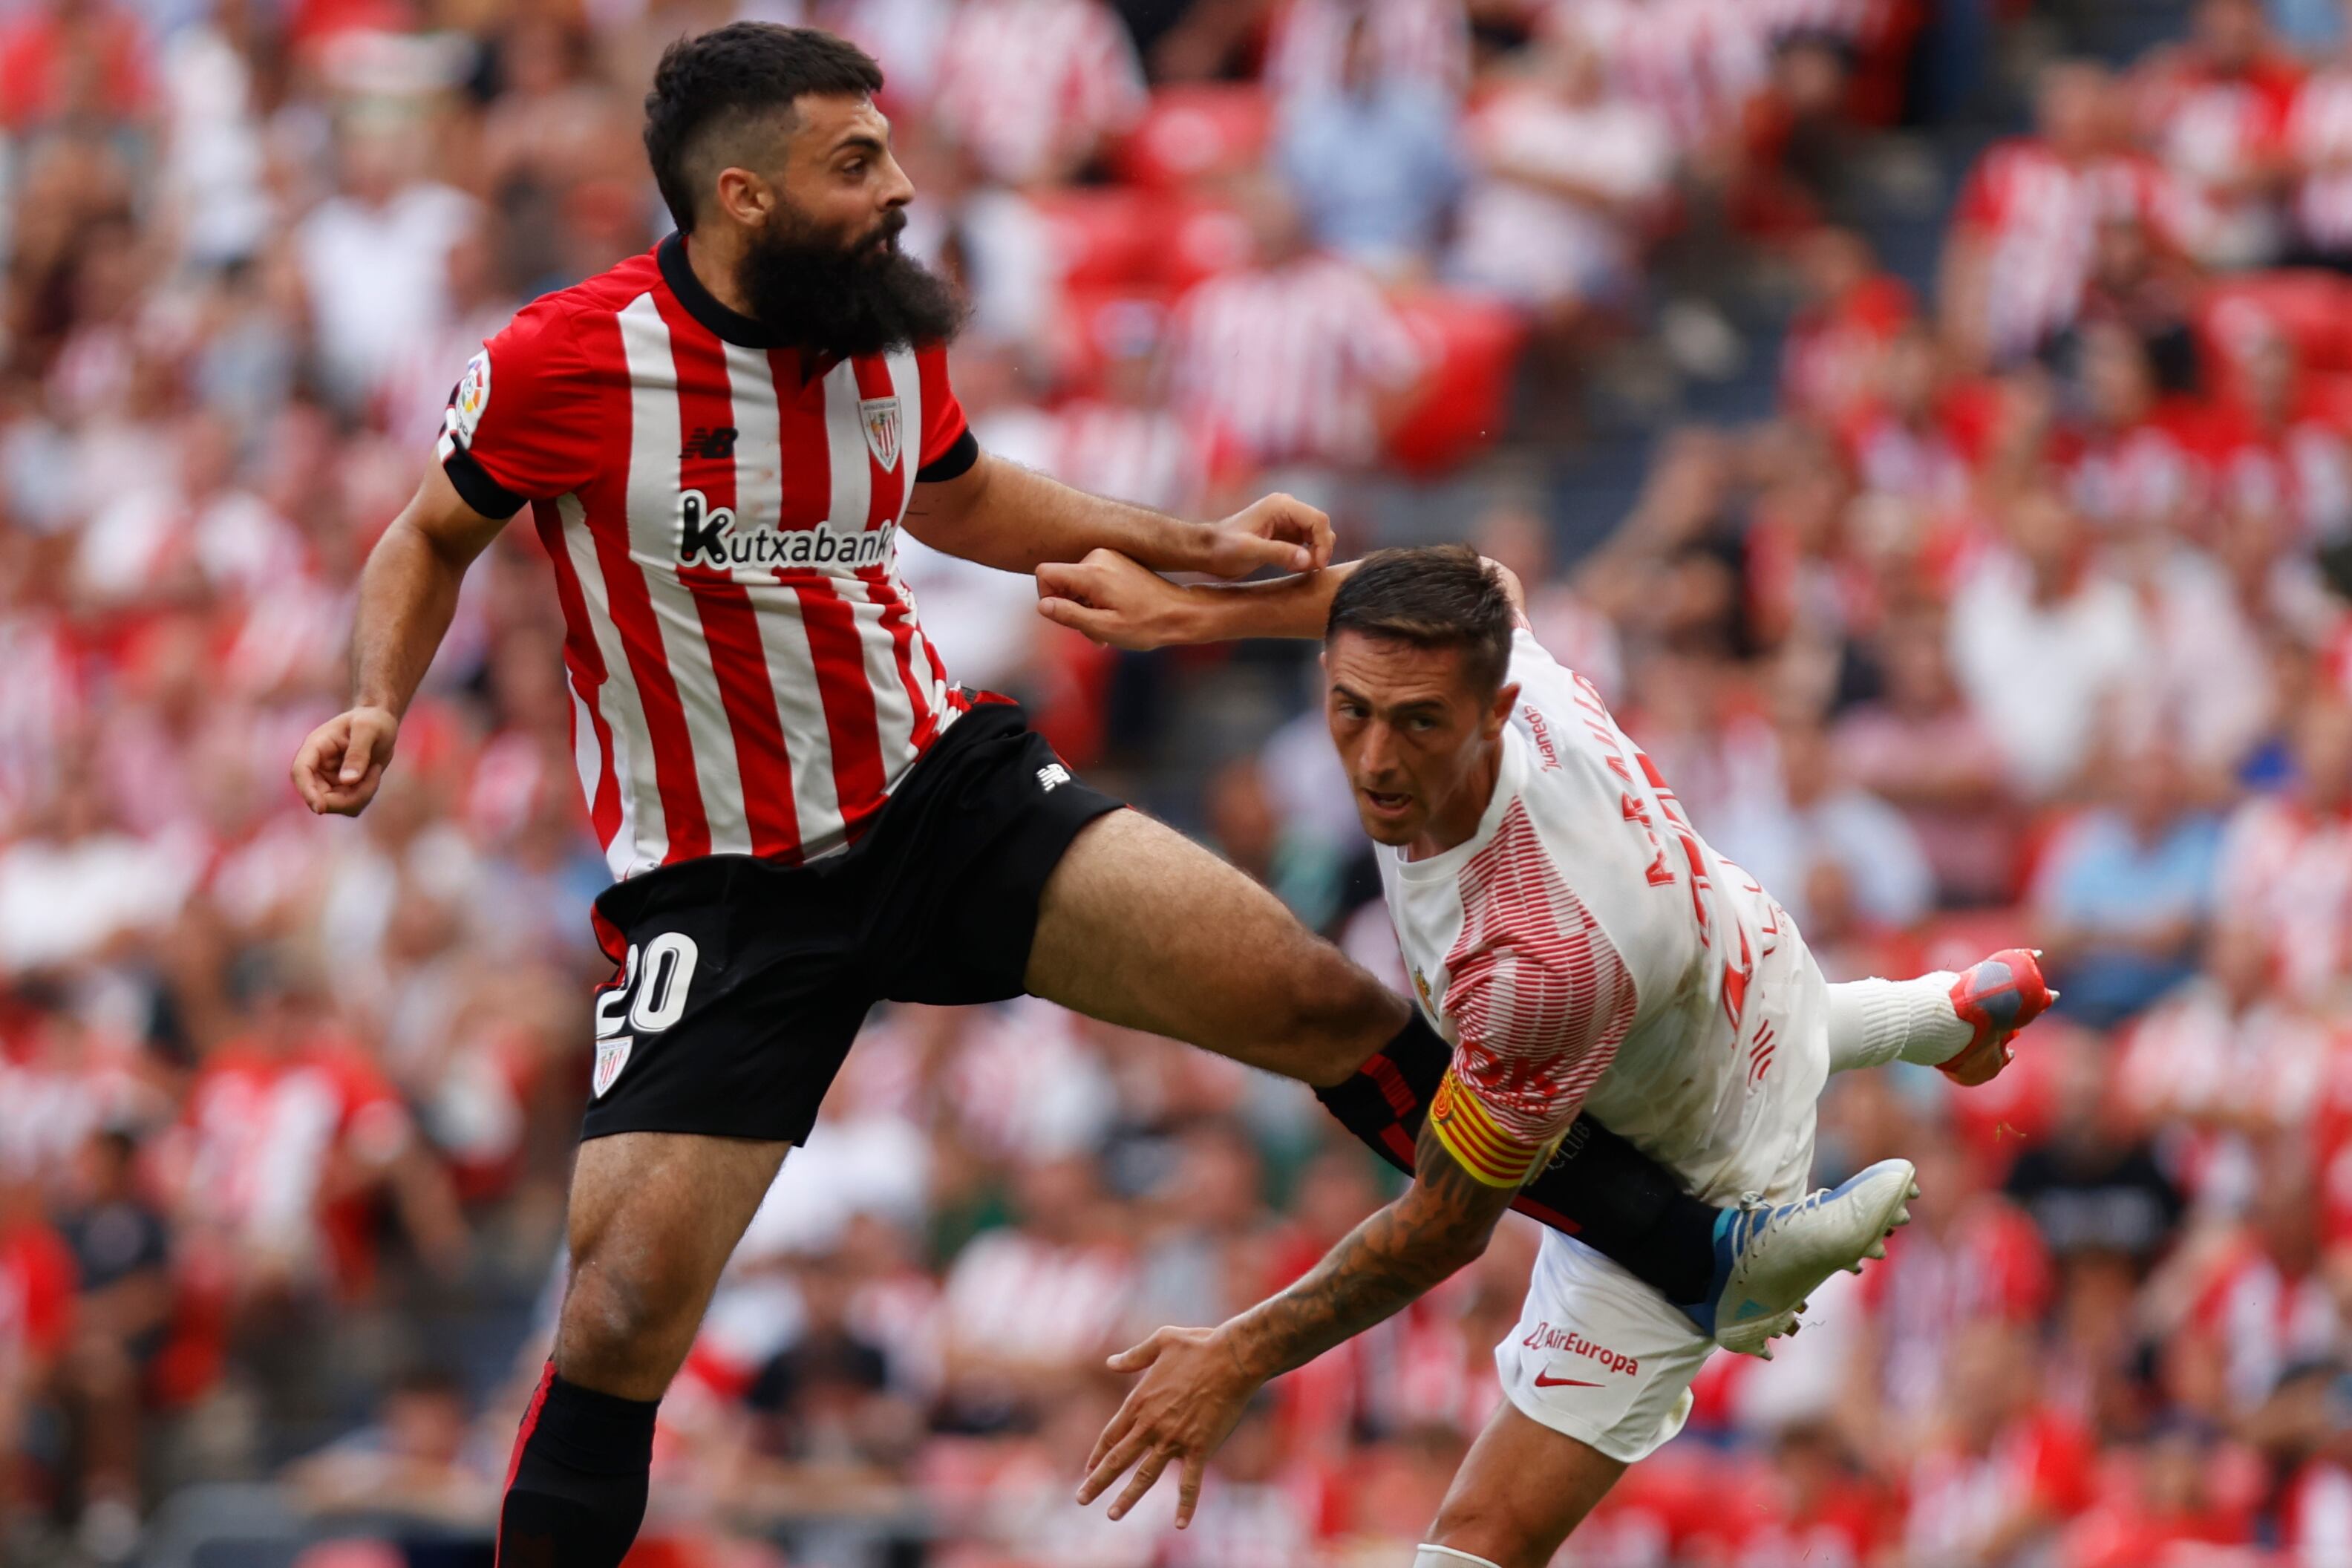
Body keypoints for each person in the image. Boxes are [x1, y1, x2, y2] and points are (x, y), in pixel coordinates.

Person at [283, 27, 1902, 1567]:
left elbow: (969, 495)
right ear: (742, 197)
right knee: (622, 1313)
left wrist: (1195, 547)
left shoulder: (881, 332)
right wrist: (374, 696)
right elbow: (431, 534)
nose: (899, 186)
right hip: (724, 887)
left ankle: (1699, 1255)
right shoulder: (569, 359)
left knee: (1309, 999)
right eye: (858, 162)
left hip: (942, 794)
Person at [1033, 545, 2052, 1561]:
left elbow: (1444, 1225)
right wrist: (1184, 613)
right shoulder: (1492, 649)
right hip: (1747, 967)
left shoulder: (1533, 964)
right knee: (1745, 1032)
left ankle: (1756, 1248)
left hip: (1696, 1166)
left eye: (1419, 723)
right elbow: (1425, 588)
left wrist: (1236, 1354)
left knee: (1480, 1539)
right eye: (1352, 711)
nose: (1377, 759)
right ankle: (1944, 1011)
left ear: (1491, 709)